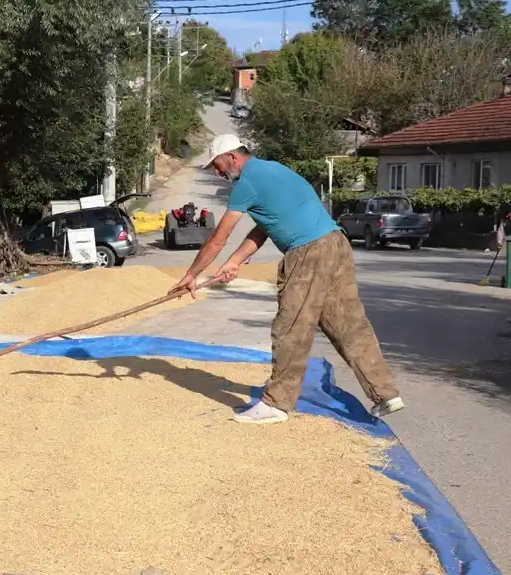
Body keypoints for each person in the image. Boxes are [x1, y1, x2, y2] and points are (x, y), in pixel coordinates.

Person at [171, 134, 404, 424]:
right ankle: (386, 394)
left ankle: (276, 403)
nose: (217, 173)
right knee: (348, 323)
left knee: (291, 326)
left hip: (308, 252)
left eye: (217, 165)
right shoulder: (276, 170)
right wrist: (235, 261)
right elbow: (266, 226)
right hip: (335, 244)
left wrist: (191, 275)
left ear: (232, 156)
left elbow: (219, 238)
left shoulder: (246, 183)